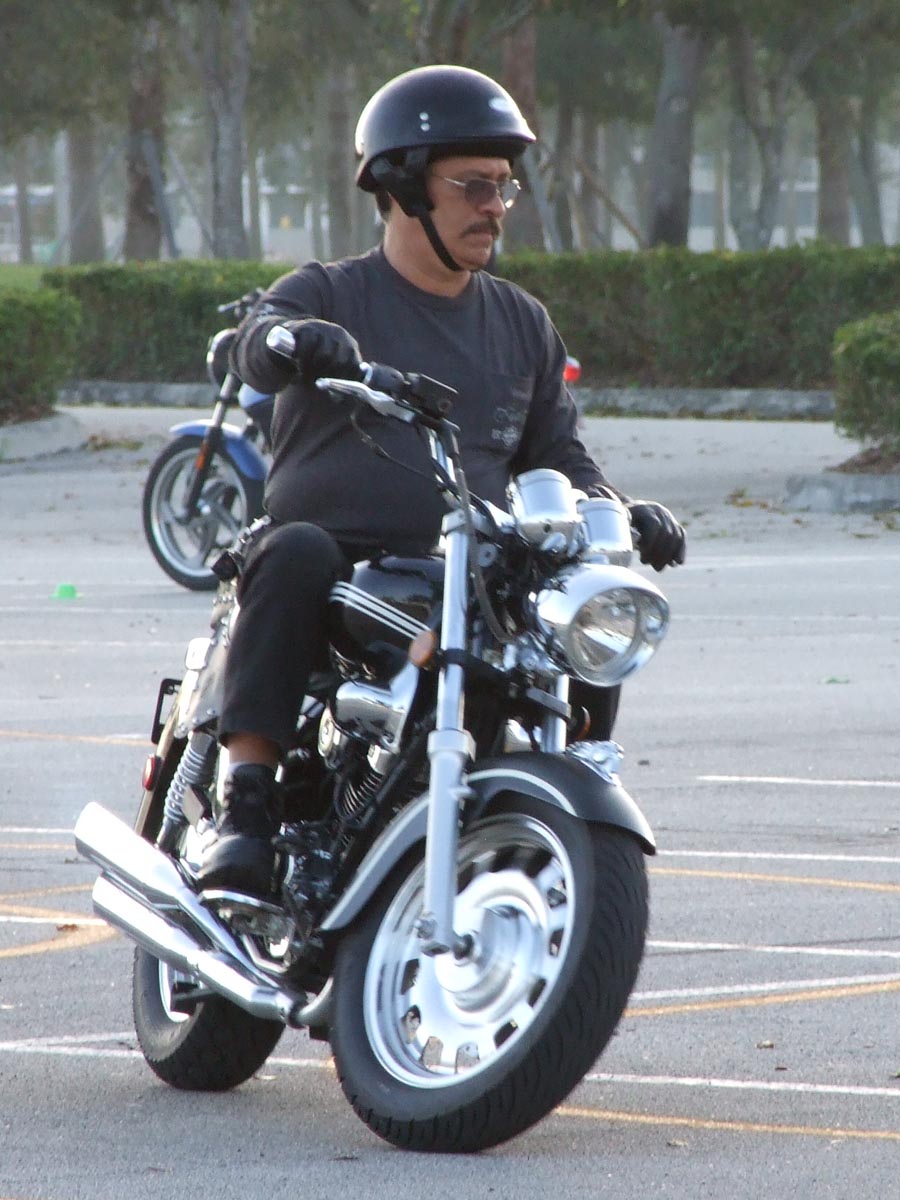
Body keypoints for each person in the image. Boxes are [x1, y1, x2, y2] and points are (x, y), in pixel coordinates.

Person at [198, 64, 686, 895]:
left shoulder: (521, 322)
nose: (495, 206)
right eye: (473, 185)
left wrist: (619, 509)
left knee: (582, 584)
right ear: (401, 188)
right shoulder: (329, 292)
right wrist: (291, 341)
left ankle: (572, 781)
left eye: (504, 186)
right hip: (339, 576)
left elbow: (559, 456)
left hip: (465, 576)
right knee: (295, 549)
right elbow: (259, 338)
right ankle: (246, 804)